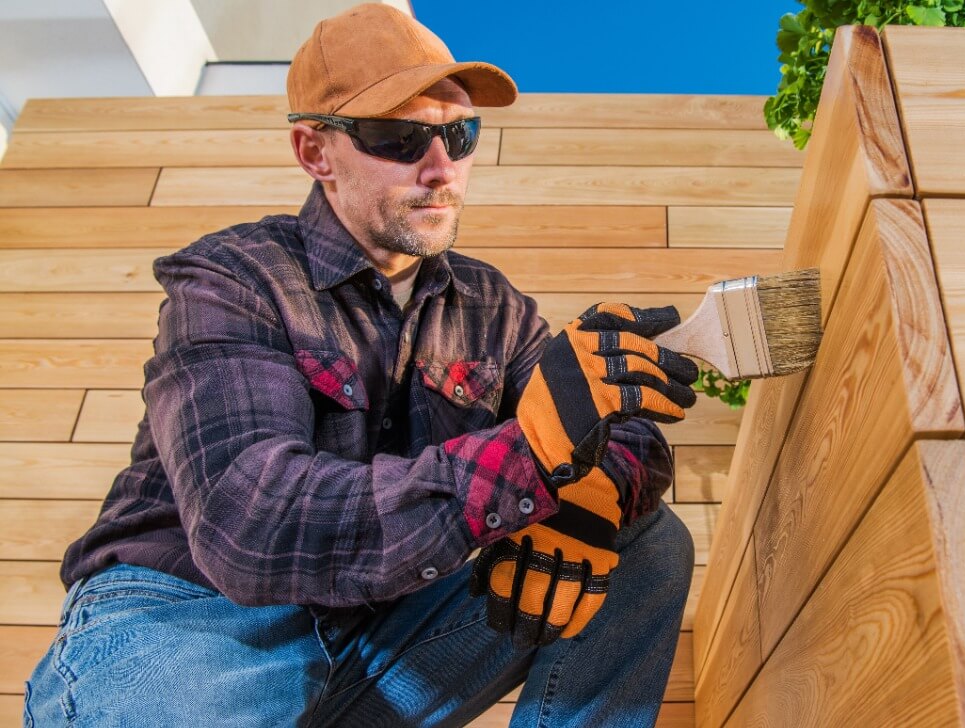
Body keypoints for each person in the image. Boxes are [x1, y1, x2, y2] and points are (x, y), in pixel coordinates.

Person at [22, 4, 699, 726]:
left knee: (645, 544)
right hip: (190, 620)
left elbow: (623, 436)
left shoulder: (493, 307)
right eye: (399, 136)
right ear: (315, 151)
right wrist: (531, 453)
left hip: (378, 639)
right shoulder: (235, 276)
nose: (441, 168)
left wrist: (588, 499)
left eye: (458, 133)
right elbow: (250, 522)